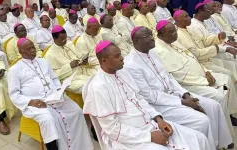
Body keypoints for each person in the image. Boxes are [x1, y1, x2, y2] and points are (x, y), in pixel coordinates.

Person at [83, 41, 213, 150]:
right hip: (128, 138)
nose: (122, 58)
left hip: (150, 124)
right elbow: (112, 129)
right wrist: (149, 137)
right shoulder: (99, 87)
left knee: (198, 139)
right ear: (104, 60)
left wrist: (158, 119)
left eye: (121, 54)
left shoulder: (123, 73)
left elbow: (139, 99)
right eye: (117, 56)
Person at [125, 25, 234, 149]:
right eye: (147, 36)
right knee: (202, 121)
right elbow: (149, 96)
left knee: (213, 105)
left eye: (151, 34)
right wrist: (182, 102)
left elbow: (169, 77)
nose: (152, 38)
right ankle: (208, 146)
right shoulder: (131, 64)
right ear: (136, 41)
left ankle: (219, 143)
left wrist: (185, 94)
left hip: (175, 94)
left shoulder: (153, 53)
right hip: (160, 105)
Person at [8, 38, 93, 150]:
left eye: (32, 47)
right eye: (28, 49)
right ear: (20, 52)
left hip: (54, 97)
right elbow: (13, 94)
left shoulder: (43, 61)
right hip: (35, 103)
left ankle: (79, 145)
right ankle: (53, 147)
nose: (32, 50)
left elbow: (54, 78)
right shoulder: (15, 70)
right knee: (48, 119)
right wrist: (31, 101)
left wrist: (59, 90)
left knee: (76, 111)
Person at [155, 20, 237, 132]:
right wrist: (205, 81)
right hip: (189, 85)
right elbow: (179, 76)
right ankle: (222, 130)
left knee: (226, 81)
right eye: (172, 32)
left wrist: (206, 72)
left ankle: (228, 116)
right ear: (162, 34)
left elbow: (192, 58)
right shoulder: (159, 50)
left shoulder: (173, 41)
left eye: (175, 31)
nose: (176, 34)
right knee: (219, 95)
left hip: (202, 75)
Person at [174, 10, 237, 81]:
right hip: (201, 64)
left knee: (233, 65)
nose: (189, 18)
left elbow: (204, 41)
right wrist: (215, 48)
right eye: (186, 16)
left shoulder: (189, 28)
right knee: (228, 74)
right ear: (178, 20)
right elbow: (196, 54)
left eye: (188, 15)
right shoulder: (179, 35)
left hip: (208, 58)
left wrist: (218, 37)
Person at [44, 25, 96, 93]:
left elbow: (79, 57)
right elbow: (54, 76)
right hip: (70, 79)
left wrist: (83, 61)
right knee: (90, 88)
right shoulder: (49, 55)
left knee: (101, 77)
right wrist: (69, 66)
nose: (65, 41)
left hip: (83, 70)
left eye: (66, 38)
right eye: (62, 40)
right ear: (54, 39)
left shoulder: (69, 44)